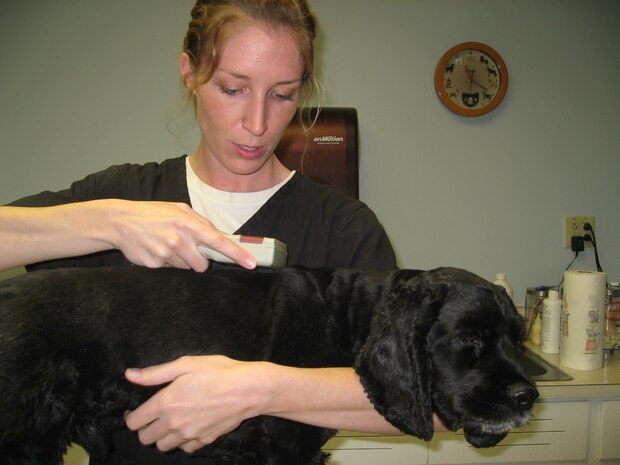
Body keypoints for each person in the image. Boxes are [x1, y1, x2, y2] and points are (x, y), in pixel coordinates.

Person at [0, 1, 445, 463]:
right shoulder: (123, 195)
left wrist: (261, 391)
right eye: (233, 89)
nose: (258, 124)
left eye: (283, 95)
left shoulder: (342, 229)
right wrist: (108, 222)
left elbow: (432, 400)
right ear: (189, 72)